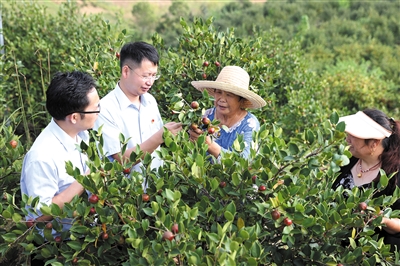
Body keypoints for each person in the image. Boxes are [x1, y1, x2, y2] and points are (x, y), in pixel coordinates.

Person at [20, 71, 100, 233]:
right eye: (95, 108)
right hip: (59, 247)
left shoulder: (82, 134)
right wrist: (84, 181)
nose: (99, 112)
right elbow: (40, 215)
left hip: (89, 233)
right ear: (74, 117)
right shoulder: (42, 156)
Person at [93, 42, 182, 185]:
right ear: (126, 71)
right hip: (125, 196)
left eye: (154, 76)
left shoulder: (150, 101)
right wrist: (160, 136)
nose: (150, 82)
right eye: (146, 76)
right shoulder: (106, 109)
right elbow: (122, 160)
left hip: (156, 191)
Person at [332, 108, 400, 249]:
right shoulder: (347, 161)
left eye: (354, 136)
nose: (347, 139)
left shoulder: (394, 176)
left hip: (367, 254)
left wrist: (381, 219)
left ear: (374, 143)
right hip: (333, 248)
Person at [188, 65, 266, 159]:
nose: (222, 99)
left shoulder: (249, 124)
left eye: (229, 95)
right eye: (219, 92)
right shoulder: (206, 116)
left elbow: (244, 162)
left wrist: (209, 145)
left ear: (241, 100)